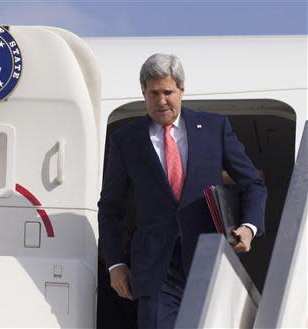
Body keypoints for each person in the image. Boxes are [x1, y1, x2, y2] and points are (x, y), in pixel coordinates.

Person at [97, 53, 267, 329]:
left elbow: (252, 183)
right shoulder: (126, 139)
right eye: (153, 93)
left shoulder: (214, 128)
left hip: (208, 258)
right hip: (155, 268)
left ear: (182, 90)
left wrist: (248, 226)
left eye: (167, 92)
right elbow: (110, 207)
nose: (161, 101)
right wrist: (115, 264)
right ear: (143, 93)